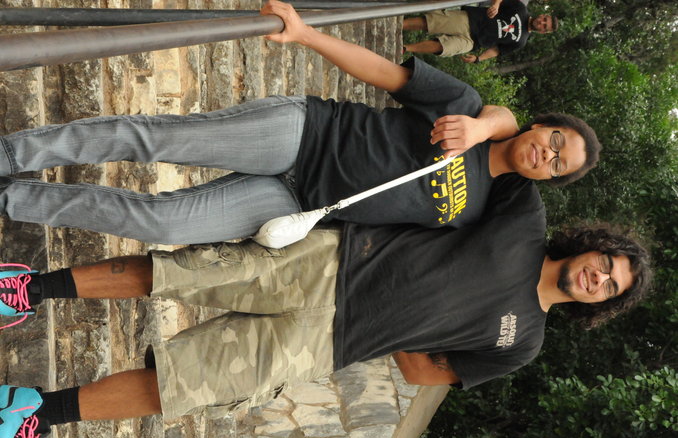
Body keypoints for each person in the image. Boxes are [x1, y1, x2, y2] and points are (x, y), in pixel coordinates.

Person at [0, 173, 651, 438]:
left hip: (326, 345)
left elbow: (424, 372)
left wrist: (396, 320)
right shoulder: (524, 217)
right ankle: (30, 289)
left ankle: (37, 412)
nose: (599, 277)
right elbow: (494, 149)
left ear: (601, 305)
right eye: (606, 263)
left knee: (182, 385)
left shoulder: (524, 342)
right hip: (330, 261)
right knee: (175, 273)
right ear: (593, 246)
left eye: (609, 287)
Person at [0, 1, 593, 245]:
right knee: (153, 139)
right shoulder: (466, 104)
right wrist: (307, 34)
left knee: (162, 223)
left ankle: (12, 200)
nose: (548, 154)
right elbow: (384, 73)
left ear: (549, 179)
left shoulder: (478, 211)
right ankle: (11, 156)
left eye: (558, 164)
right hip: (304, 135)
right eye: (556, 140)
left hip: (294, 204)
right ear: (542, 126)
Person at [403, 0, 557, 62]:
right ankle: (401, 25)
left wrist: (478, 59)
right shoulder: (521, 9)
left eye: (545, 26)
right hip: (471, 20)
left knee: (443, 48)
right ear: (542, 15)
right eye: (544, 19)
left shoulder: (521, 41)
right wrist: (496, 5)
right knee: (432, 23)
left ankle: (406, 48)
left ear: (543, 32)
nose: (541, 23)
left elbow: (496, 50)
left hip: (473, 42)